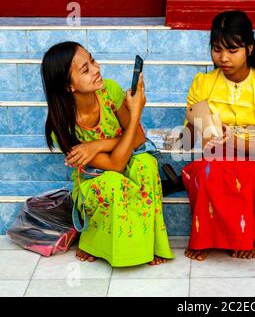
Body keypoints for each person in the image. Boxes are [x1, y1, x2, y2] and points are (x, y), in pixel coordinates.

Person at [41, 41, 175, 267]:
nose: (96, 69)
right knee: (112, 182)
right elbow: (115, 165)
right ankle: (96, 241)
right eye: (85, 69)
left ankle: (150, 243)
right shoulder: (61, 128)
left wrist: (98, 144)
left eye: (92, 60)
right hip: (95, 180)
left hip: (123, 161)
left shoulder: (109, 91)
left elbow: (139, 140)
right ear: (68, 86)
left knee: (146, 163)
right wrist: (134, 115)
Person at [180, 10, 255, 261]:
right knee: (207, 172)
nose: (223, 58)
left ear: (249, 48)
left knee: (251, 175)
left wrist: (234, 141)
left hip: (254, 156)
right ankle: (204, 237)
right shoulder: (202, 82)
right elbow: (187, 140)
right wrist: (194, 125)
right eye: (217, 49)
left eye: (232, 50)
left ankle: (253, 235)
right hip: (215, 155)